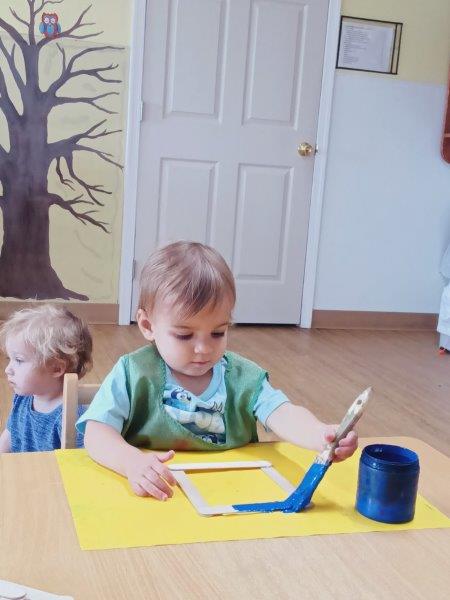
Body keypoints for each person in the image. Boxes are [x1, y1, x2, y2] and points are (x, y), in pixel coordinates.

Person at [79, 241, 358, 500]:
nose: (203, 348)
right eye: (185, 336)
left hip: (231, 494)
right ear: (148, 326)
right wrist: (130, 462)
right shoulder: (132, 373)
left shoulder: (243, 377)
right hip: (159, 497)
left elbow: (282, 413)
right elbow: (96, 433)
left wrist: (320, 434)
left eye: (218, 333)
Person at [0, 304, 93, 453]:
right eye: (9, 359)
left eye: (19, 360)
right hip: (21, 466)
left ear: (56, 368)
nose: (8, 369)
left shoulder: (70, 415)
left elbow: (79, 460)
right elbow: (10, 434)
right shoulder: (23, 397)